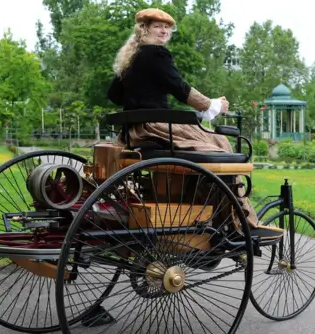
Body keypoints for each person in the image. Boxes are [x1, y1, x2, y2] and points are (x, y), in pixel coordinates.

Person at [107, 8, 282, 238]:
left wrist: (142, 96)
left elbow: (114, 94)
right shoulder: (156, 54)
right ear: (144, 28)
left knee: (210, 139)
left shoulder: (132, 58)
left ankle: (213, 211)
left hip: (135, 131)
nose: (164, 31)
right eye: (157, 26)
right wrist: (213, 104)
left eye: (167, 27)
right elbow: (180, 88)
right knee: (220, 141)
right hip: (156, 128)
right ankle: (242, 222)